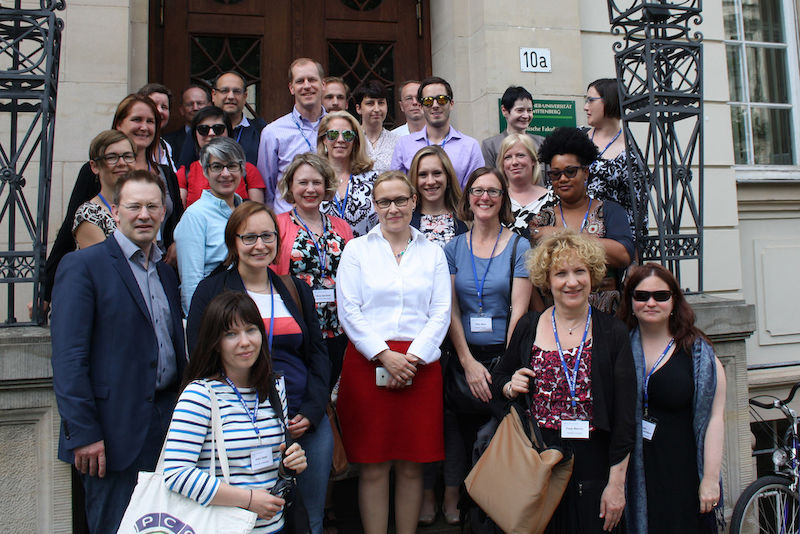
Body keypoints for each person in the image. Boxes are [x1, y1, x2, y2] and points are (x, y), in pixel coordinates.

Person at [51, 170, 187, 533]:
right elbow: (68, 359)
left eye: (152, 206)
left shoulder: (166, 272)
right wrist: (84, 433)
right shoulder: (83, 267)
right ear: (115, 212)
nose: (144, 214)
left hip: (167, 424)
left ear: (163, 213)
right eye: (134, 206)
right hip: (110, 434)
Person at [186, 202, 332, 534]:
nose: (259, 245)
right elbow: (199, 356)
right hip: (244, 426)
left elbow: (318, 355)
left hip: (302, 421)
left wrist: (311, 410)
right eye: (249, 237)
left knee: (311, 518)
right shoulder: (212, 291)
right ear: (233, 242)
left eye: (267, 236)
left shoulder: (296, 289)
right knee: (251, 519)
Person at [492, 230, 636, 533]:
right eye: (561, 273)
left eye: (579, 271)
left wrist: (617, 485)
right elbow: (500, 380)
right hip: (539, 462)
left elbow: (625, 418)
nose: (572, 282)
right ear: (547, 279)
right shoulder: (529, 326)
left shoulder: (612, 333)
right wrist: (509, 384)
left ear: (593, 275)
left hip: (594, 464)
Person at [336, 171, 451, 534]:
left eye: (401, 200)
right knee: (372, 465)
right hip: (368, 362)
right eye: (384, 201)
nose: (393, 208)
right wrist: (385, 355)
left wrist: (411, 359)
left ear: (414, 201)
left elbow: (441, 311)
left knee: (412, 464)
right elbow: (349, 310)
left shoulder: (432, 252)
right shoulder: (357, 250)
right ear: (374, 206)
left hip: (420, 365)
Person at [163, 291, 308, 534]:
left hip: (274, 526)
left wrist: (288, 466)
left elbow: (267, 468)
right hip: (222, 527)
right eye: (231, 334)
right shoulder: (200, 396)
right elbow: (177, 473)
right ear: (215, 343)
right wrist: (248, 499)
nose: (244, 342)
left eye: (251, 330)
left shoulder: (273, 388)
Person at [443, 167, 532, 524]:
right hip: (464, 359)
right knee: (457, 432)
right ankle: (455, 499)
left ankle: (492, 507)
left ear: (503, 200)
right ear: (468, 198)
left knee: (495, 436)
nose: (485, 198)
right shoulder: (452, 247)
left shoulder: (519, 246)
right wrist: (467, 361)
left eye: (493, 192)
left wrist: (503, 372)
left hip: (502, 359)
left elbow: (520, 312)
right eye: (478, 190)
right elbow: (450, 309)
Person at [42, 94, 184, 308]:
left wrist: (176, 245)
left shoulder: (164, 173)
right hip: (119, 277)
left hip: (160, 268)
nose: (144, 127)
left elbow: (177, 220)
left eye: (150, 121)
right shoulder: (98, 172)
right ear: (119, 124)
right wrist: (46, 291)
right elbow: (70, 228)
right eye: (137, 119)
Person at [618, 263, 725, 534]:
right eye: (641, 296)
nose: (650, 302)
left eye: (661, 296)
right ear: (630, 302)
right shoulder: (617, 349)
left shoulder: (699, 355)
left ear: (674, 300)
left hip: (684, 476)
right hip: (634, 477)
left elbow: (714, 419)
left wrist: (711, 479)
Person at [530, 127, 634, 313]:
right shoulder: (542, 219)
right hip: (556, 318)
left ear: (585, 173)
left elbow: (623, 255)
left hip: (606, 316)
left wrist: (560, 235)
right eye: (555, 174)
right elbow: (531, 275)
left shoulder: (609, 211)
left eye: (570, 172)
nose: (562, 179)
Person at [273, 152, 354, 386]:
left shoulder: (342, 227)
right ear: (290, 186)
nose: (310, 189)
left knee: (329, 389)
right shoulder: (278, 225)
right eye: (303, 182)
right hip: (298, 328)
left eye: (316, 182)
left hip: (337, 330)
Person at [174, 137, 245, 313]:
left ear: (242, 169)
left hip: (244, 309)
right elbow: (192, 281)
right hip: (215, 311)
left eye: (232, 166)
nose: (226, 174)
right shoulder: (195, 216)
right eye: (217, 167)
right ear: (206, 171)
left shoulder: (244, 211)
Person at [258, 58, 327, 212]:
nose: (307, 86)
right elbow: (267, 188)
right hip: (288, 220)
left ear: (323, 85)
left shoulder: (337, 128)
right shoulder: (273, 132)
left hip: (331, 221)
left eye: (312, 80)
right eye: (300, 81)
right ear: (291, 88)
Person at [390, 76, 484, 187]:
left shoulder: (470, 146)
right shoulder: (404, 145)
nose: (435, 105)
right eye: (428, 101)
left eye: (442, 100)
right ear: (421, 106)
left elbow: (476, 191)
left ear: (451, 104)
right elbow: (397, 188)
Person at [584, 78, 647, 235]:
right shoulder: (575, 138)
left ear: (609, 101)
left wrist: (634, 251)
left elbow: (638, 207)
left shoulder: (630, 151)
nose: (586, 107)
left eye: (591, 100)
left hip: (611, 240)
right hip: (571, 233)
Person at [176, 105, 266, 206]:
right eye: (203, 129)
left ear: (229, 132)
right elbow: (180, 215)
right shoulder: (184, 174)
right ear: (195, 134)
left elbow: (257, 214)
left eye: (218, 128)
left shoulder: (248, 170)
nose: (211, 133)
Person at [317, 111, 379, 237]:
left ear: (355, 141)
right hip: (323, 254)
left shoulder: (374, 179)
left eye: (348, 135)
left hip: (364, 253)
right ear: (324, 139)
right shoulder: (313, 179)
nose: (340, 140)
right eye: (333, 134)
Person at [72, 131, 134, 249]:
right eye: (112, 157)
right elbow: (102, 265)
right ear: (94, 166)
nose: (122, 163)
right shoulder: (89, 214)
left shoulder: (143, 206)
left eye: (127, 156)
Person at [408, 145, 467, 247]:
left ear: (448, 176)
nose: (430, 181)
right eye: (423, 175)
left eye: (437, 173)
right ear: (415, 179)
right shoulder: (405, 220)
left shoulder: (467, 218)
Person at [497, 132, 553, 235]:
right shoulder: (495, 199)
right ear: (502, 164)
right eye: (508, 157)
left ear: (533, 160)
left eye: (520, 155)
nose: (514, 162)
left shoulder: (552, 199)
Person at [209, 71, 267, 166]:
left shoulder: (260, 130)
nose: (231, 96)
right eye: (224, 91)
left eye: (237, 91)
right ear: (213, 95)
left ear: (245, 96)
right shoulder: (201, 130)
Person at [481, 85, 544, 168]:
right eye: (520, 110)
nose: (526, 115)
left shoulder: (541, 143)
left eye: (529, 110)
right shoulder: (490, 146)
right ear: (504, 111)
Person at [353, 80, 397, 175]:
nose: (377, 109)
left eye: (381, 103)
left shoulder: (397, 141)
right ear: (358, 108)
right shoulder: (351, 139)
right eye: (370, 103)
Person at [164, 84, 211, 164]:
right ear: (181, 110)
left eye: (200, 103)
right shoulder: (167, 143)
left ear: (210, 106)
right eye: (190, 104)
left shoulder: (221, 137)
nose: (195, 108)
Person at [138, 82, 177, 170]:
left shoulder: (165, 146)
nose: (160, 111)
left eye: (164, 107)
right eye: (154, 105)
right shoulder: (137, 144)